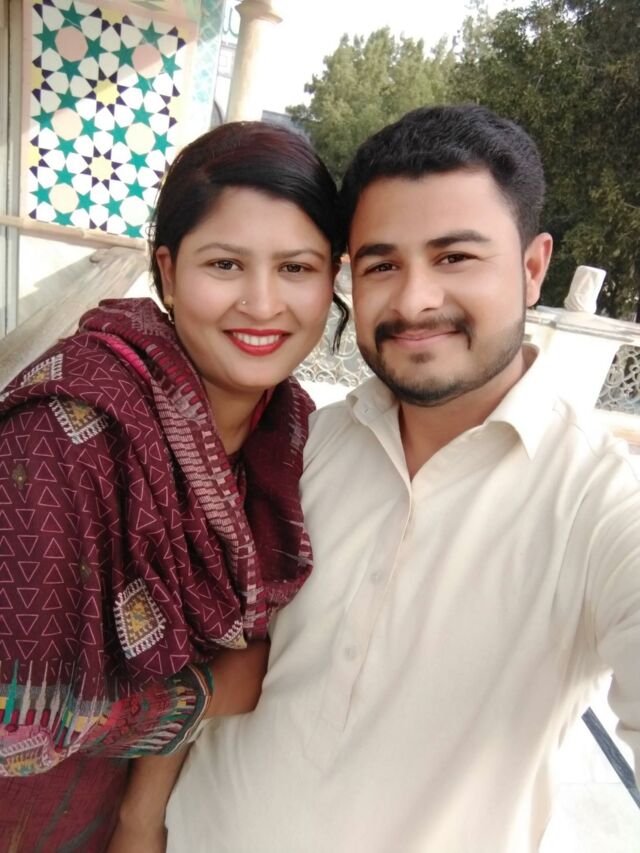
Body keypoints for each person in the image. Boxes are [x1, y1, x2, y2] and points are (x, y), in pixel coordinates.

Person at [165, 105, 640, 852]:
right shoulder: (305, 441)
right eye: (383, 264)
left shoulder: (602, 505)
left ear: (532, 267)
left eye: (455, 258)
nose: (415, 300)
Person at [0, 120, 346, 850]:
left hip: (129, 814)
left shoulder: (291, 437)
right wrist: (212, 692)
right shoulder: (65, 432)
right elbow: (15, 709)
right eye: (224, 264)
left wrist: (140, 818)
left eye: (296, 267)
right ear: (167, 270)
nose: (262, 303)